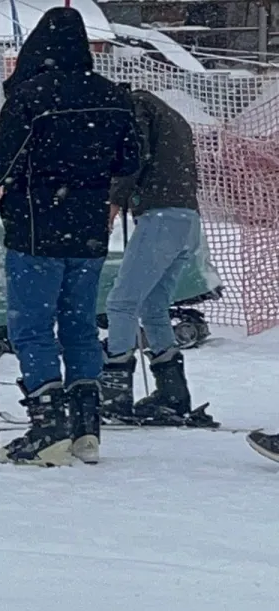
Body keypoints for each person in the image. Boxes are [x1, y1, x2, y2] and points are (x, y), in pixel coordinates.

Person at [0, 7, 140, 466]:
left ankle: (48, 423)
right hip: (89, 231)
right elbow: (130, 161)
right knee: (79, 324)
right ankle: (86, 428)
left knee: (32, 326)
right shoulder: (113, 96)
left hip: (36, 227)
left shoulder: (31, 96)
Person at [102, 88, 211, 427]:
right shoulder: (171, 117)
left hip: (160, 216)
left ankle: (115, 394)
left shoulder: (136, 109)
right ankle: (173, 393)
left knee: (121, 303)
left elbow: (133, 156)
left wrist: (115, 200)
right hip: (186, 218)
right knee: (153, 306)